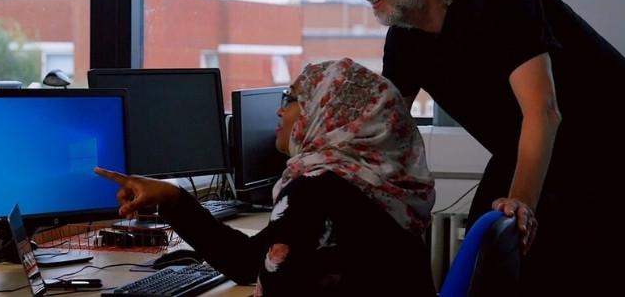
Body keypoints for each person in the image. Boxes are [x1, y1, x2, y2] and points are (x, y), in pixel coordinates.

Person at [350, 0, 624, 296]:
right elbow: (383, 127)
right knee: (481, 263)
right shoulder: (405, 37)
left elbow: (543, 110)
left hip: (607, 151)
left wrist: (521, 207)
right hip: (524, 150)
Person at [95, 58, 437, 296]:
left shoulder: (313, 192)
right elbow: (249, 263)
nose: (279, 109)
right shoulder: (381, 187)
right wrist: (173, 198)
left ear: (324, 112)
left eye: (290, 99)